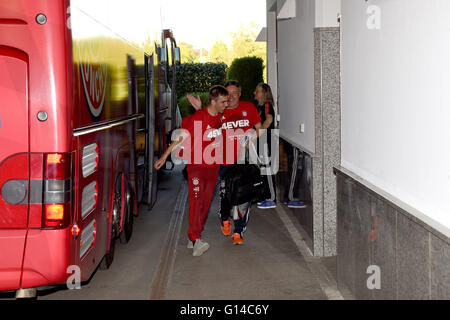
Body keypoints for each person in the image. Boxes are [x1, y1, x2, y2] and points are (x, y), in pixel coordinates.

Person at [155, 85, 229, 256]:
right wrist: (164, 157)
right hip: (196, 168)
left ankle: (193, 236)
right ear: (213, 101)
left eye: (226, 101)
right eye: (223, 101)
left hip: (212, 168)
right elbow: (180, 138)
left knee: (205, 204)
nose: (226, 104)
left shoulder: (219, 118)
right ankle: (195, 238)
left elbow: (213, 122)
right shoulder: (197, 119)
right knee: (196, 203)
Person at [188, 80, 263, 245]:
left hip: (244, 160)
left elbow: (260, 128)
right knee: (225, 193)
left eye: (234, 93)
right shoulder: (220, 110)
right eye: (227, 93)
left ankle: (238, 231)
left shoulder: (248, 108)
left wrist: (253, 136)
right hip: (223, 160)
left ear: (240, 94)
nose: (231, 97)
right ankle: (225, 217)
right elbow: (205, 123)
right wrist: (199, 110)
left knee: (243, 195)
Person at [253, 83, 278, 209]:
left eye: (257, 91)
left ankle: (271, 198)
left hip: (266, 142)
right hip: (262, 142)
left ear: (264, 93)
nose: (254, 93)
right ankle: (266, 196)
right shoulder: (260, 107)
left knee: (267, 170)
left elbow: (269, 120)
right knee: (263, 169)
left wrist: (258, 133)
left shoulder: (267, 105)